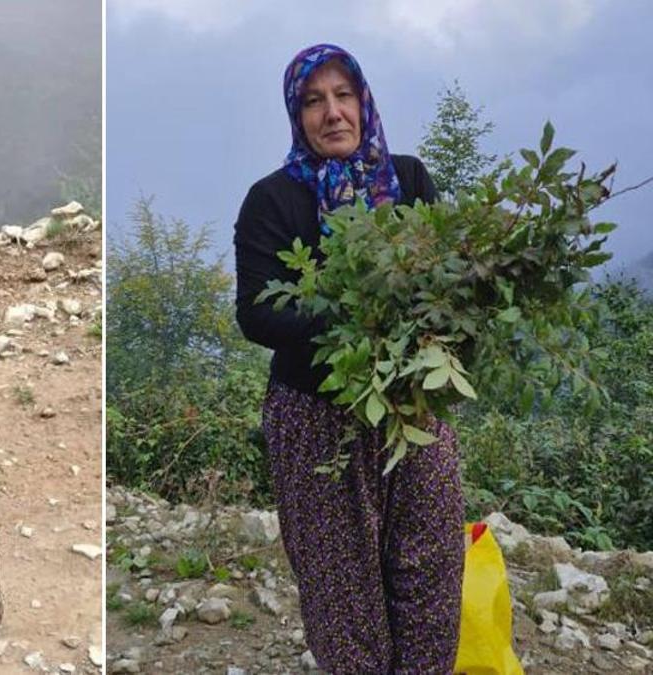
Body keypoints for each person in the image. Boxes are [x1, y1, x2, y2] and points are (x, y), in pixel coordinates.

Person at [233, 44, 463, 673]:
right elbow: (256, 313)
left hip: (413, 410)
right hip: (315, 420)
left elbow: (445, 284)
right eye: (314, 101)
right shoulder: (273, 200)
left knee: (430, 572)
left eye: (343, 95)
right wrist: (354, 319)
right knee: (341, 593)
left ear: (363, 101)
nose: (332, 112)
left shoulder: (409, 181)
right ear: (297, 114)